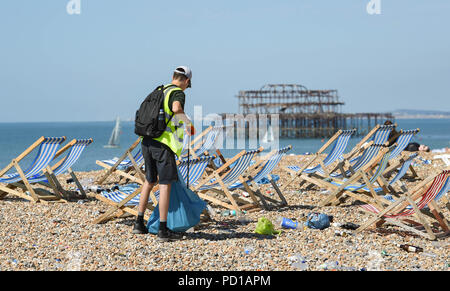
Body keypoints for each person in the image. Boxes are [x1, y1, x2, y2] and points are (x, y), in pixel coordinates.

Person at [132, 66, 196, 241]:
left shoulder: (160, 89)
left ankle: (138, 222)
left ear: (173, 76)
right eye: (187, 85)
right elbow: (176, 109)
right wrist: (188, 124)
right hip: (163, 144)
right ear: (187, 81)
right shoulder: (177, 93)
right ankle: (162, 228)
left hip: (147, 141)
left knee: (149, 180)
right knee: (165, 183)